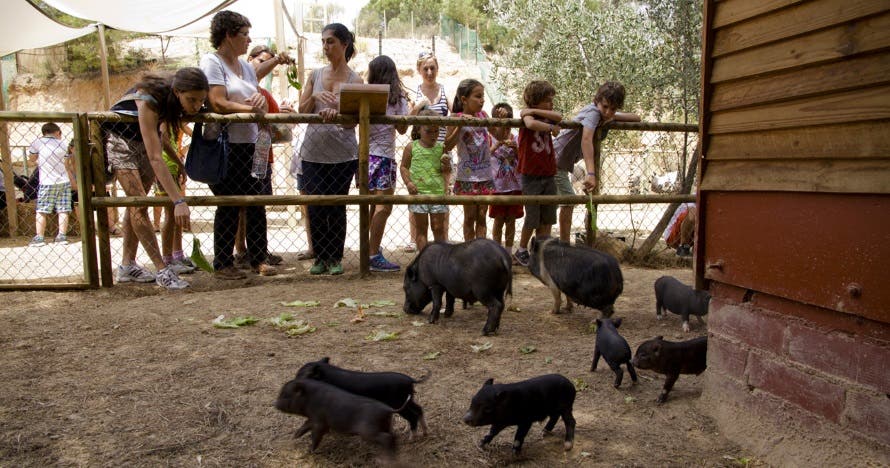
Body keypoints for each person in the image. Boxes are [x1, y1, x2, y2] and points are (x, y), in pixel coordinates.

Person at [104, 68, 207, 289]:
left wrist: (180, 165)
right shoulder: (149, 98)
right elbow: (155, 157)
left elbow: (159, 140)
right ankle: (162, 269)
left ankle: (127, 265)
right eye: (191, 100)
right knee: (140, 204)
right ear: (177, 91)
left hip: (143, 144)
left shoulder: (171, 104)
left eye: (200, 101)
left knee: (136, 205)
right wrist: (178, 201)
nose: (196, 106)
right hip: (122, 144)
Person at [200, 10, 277, 279]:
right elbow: (218, 101)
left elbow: (257, 97)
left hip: (251, 142)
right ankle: (223, 262)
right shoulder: (212, 62)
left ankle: (258, 257)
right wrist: (246, 108)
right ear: (228, 35)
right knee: (230, 203)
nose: (248, 40)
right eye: (244, 34)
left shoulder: (245, 66)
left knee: (257, 201)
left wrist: (259, 103)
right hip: (228, 144)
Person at [296, 23, 362, 276]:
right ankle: (320, 256)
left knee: (336, 206)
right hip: (312, 152)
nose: (326, 46)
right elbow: (301, 111)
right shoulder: (315, 75)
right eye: (323, 42)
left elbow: (354, 121)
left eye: (331, 41)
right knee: (315, 205)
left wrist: (339, 114)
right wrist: (314, 99)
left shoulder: (355, 79)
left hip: (342, 155)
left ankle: (335, 257)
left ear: (345, 45)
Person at [553, 81, 641, 242]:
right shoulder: (593, 113)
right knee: (568, 200)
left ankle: (560, 244)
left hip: (561, 162)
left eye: (613, 109)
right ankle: (564, 245)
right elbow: (586, 140)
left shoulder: (603, 114)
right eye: (605, 107)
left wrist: (612, 117)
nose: (608, 112)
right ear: (597, 101)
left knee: (560, 201)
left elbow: (637, 118)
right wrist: (591, 173)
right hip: (555, 159)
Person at [405, 51, 451, 251]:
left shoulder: (444, 90)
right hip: (420, 145)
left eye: (433, 68)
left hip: (440, 147)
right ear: (419, 70)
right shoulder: (415, 92)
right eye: (426, 68)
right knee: (420, 198)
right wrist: (420, 105)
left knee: (442, 194)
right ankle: (415, 240)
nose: (430, 72)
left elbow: (454, 111)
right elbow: (409, 118)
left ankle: (442, 247)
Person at [513, 80, 563, 266]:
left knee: (548, 214)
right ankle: (522, 249)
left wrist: (537, 111)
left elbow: (558, 116)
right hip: (531, 174)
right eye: (547, 101)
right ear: (535, 100)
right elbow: (531, 123)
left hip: (548, 173)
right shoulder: (527, 116)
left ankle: (542, 249)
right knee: (532, 216)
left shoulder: (543, 114)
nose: (551, 104)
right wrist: (549, 127)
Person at [366, 55, 409, 272]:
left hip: (366, 156)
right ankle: (372, 254)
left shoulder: (368, 94)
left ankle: (370, 250)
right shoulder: (397, 98)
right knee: (383, 207)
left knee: (373, 206)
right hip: (384, 156)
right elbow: (403, 129)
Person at [444, 78, 493, 242]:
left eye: (483, 96)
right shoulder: (455, 117)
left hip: (485, 175)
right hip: (467, 176)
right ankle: (469, 249)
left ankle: (481, 249)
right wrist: (460, 125)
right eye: (478, 96)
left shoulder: (483, 115)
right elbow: (448, 146)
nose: (482, 100)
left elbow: (498, 134)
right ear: (464, 99)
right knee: (470, 216)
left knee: (482, 216)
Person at [400, 109, 451, 251]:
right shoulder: (412, 147)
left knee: (438, 228)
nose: (434, 135)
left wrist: (446, 165)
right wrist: (408, 183)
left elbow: (446, 171)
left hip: (438, 194)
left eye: (436, 131)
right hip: (419, 194)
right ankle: (423, 260)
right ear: (419, 129)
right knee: (421, 230)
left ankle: (440, 259)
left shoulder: (441, 148)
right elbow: (404, 167)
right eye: (429, 131)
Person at [154, 123, 196, 274]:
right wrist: (179, 162)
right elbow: (164, 143)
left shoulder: (175, 120)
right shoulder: (165, 119)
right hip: (165, 167)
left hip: (173, 166)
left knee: (176, 216)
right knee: (170, 215)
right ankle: (167, 259)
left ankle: (177, 255)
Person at [27, 123, 75, 247]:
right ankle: (62, 236)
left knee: (42, 210)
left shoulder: (37, 142)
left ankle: (39, 237)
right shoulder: (63, 144)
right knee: (63, 209)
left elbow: (32, 159)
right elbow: (66, 162)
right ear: (57, 132)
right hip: (63, 180)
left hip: (47, 181)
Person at [488, 103, 523, 255]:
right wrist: (496, 146)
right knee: (499, 219)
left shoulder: (516, 138)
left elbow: (522, 159)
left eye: (508, 123)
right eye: (500, 123)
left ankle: (508, 251)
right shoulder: (490, 138)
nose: (505, 128)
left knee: (511, 219)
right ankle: (496, 251)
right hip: (498, 186)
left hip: (514, 186)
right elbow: (484, 157)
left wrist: (516, 149)